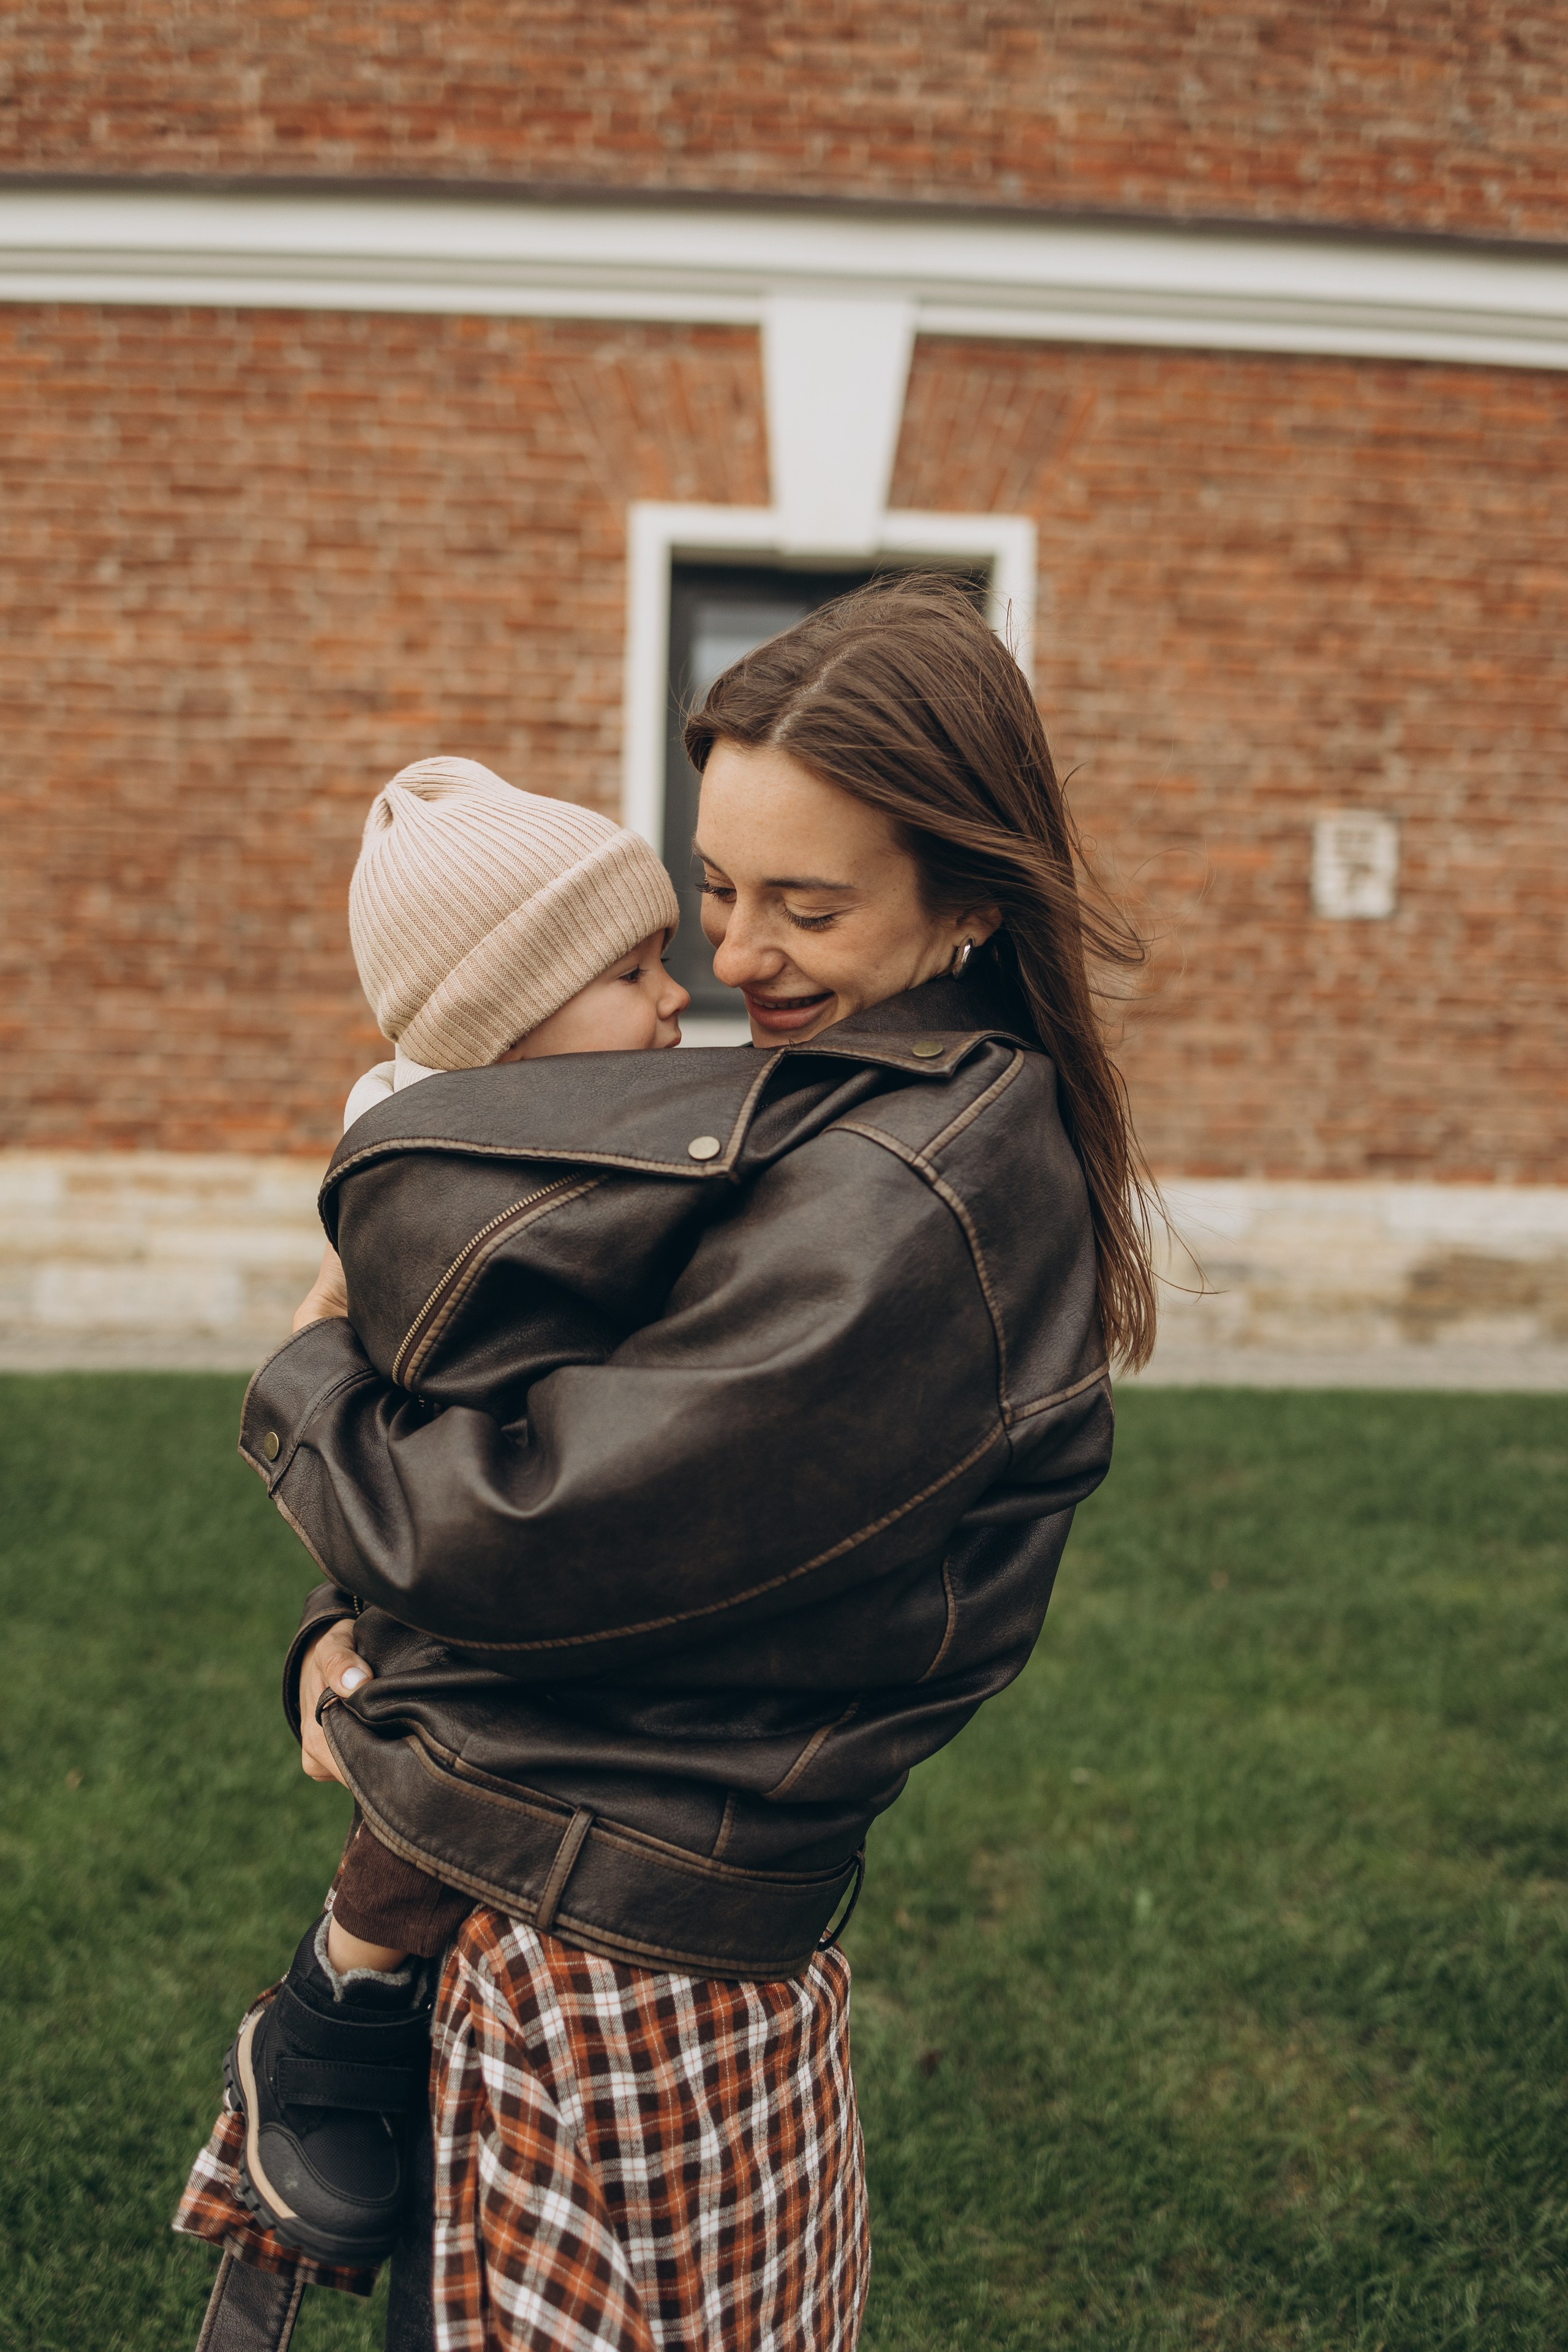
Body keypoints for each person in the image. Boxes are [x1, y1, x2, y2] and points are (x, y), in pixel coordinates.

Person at [178, 573, 1156, 2352]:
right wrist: (342, 1616)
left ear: (967, 897)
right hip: (574, 1876)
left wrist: (307, 1371)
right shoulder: (828, 1092)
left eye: (807, 905)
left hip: (627, 1945)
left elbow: (524, 1525)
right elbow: (530, 1374)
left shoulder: (908, 1200)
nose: (734, 958)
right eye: (713, 889)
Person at [219, 755, 688, 2269]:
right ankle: (334, 1992)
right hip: (462, 1557)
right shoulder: (442, 1168)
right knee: (452, 1755)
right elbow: (341, 1352)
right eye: (635, 970)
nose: (677, 996)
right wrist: (345, 1596)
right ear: (506, 1024)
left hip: (497, 1532)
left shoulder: (554, 1125)